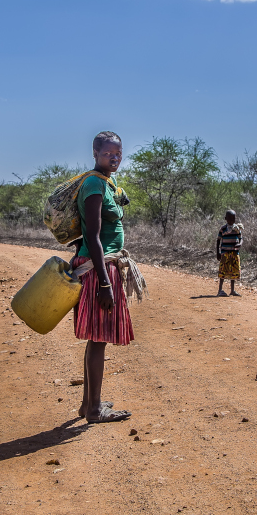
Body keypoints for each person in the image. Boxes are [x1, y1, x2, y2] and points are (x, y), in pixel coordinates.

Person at [71, 130, 147, 424]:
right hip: (99, 268)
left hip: (101, 265)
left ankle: (87, 404)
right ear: (95, 153)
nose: (114, 158)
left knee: (95, 339)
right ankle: (94, 409)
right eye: (107, 153)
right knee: (98, 339)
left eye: (118, 153)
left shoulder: (107, 182)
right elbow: (92, 233)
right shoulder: (93, 184)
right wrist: (104, 282)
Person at [216, 209, 243, 297]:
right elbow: (218, 240)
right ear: (225, 218)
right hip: (225, 253)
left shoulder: (237, 228)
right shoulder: (223, 229)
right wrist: (218, 252)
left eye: (233, 219)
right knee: (223, 270)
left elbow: (241, 238)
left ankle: (232, 290)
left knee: (234, 271)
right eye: (230, 219)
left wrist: (240, 244)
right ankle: (220, 290)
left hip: (234, 253)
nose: (231, 221)